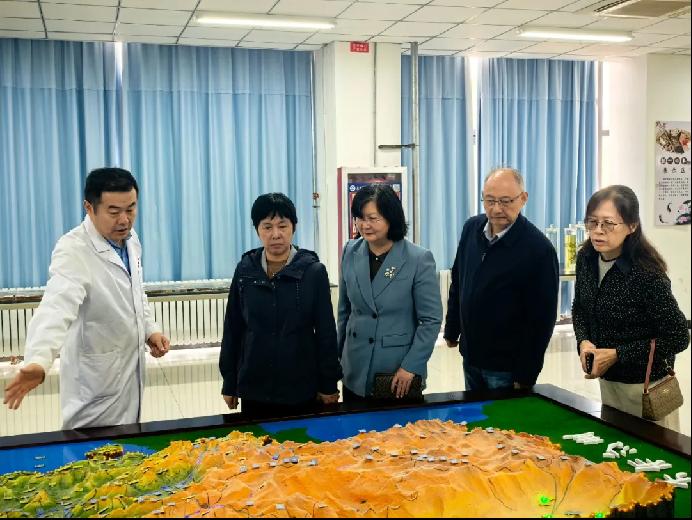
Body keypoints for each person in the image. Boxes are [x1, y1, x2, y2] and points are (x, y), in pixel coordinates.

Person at [3, 167, 169, 429]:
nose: (124, 220)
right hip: (94, 388)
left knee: (127, 446)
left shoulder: (130, 241)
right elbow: (56, 308)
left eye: (131, 209)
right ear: (89, 208)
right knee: (91, 449)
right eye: (113, 212)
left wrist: (150, 330)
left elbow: (135, 292)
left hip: (129, 376)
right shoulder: (74, 250)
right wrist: (38, 361)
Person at [572, 185, 689, 429]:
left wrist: (618, 354)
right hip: (608, 383)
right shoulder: (586, 258)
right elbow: (580, 307)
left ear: (632, 226)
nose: (598, 231)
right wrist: (584, 341)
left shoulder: (647, 274)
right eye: (592, 222)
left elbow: (678, 336)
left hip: (646, 388)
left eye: (608, 224)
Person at [219, 193, 340, 417]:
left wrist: (328, 384)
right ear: (257, 230)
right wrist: (229, 382)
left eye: (282, 226)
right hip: (254, 385)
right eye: (267, 227)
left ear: (294, 227)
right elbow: (233, 327)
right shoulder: (245, 269)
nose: (276, 234)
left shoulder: (313, 271)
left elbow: (326, 333)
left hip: (300, 387)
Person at [444, 167, 559, 390]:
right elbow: (458, 280)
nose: (496, 209)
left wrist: (526, 374)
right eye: (490, 201)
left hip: (506, 366)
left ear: (523, 199)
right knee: (475, 412)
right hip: (471, 355)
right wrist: (452, 328)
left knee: (502, 414)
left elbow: (542, 319)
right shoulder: (471, 228)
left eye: (505, 201)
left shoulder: (539, 249)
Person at [337, 184, 442, 401]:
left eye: (373, 218)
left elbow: (431, 320)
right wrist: (336, 360)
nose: (365, 225)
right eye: (359, 218)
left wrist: (411, 366)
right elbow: (344, 312)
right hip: (354, 367)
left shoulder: (418, 259)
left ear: (391, 218)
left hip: (396, 371)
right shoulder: (350, 251)